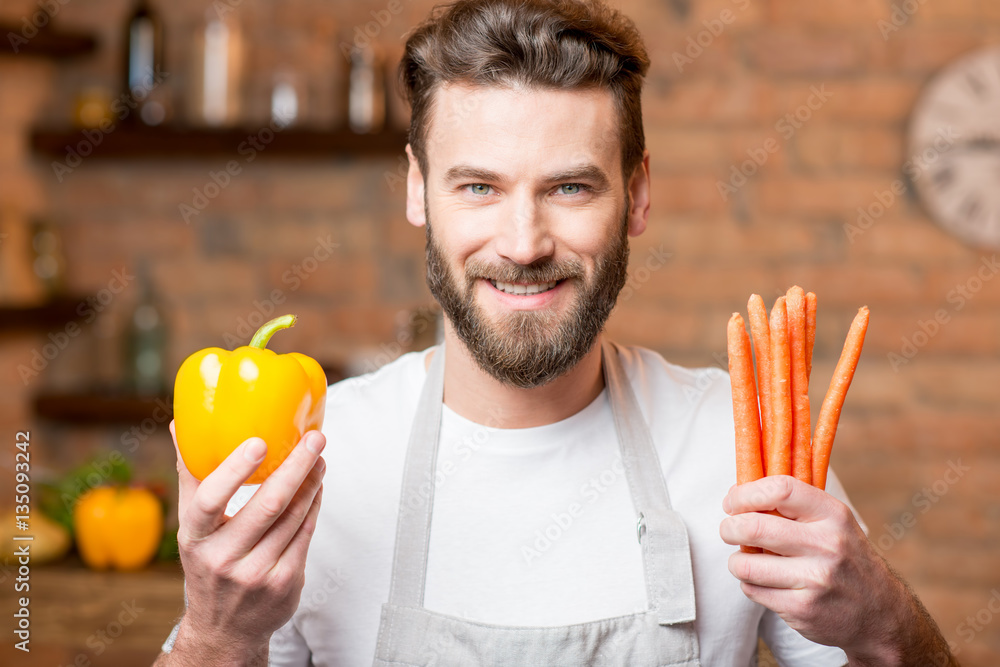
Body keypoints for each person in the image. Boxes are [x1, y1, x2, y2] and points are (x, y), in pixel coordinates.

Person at [154, 0, 959, 665]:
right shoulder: (320, 454)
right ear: (418, 190)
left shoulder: (738, 446)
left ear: (637, 196)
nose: (523, 242)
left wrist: (884, 620)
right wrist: (216, 631)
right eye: (478, 186)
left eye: (570, 186)